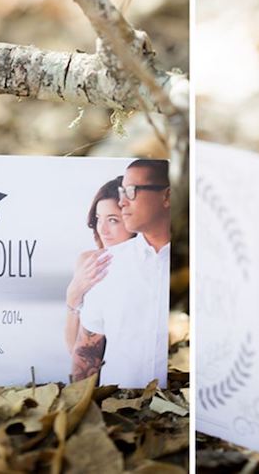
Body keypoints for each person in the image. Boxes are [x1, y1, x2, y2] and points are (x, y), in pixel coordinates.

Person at [71, 159, 171, 387]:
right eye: (121, 192)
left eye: (132, 191)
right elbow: (86, 353)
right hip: (118, 411)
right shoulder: (107, 265)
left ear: (167, 196)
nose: (123, 202)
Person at [65, 177, 135, 354]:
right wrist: (73, 296)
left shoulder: (149, 263)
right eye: (98, 219)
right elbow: (73, 350)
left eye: (112, 220)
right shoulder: (88, 261)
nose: (102, 229)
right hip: (93, 369)